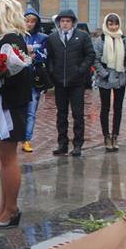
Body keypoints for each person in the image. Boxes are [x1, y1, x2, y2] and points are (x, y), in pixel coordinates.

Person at [0, 0, 32, 228]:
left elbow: (13, 74)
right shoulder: (11, 39)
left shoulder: (10, 40)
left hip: (8, 106)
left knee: (8, 159)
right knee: (4, 160)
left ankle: (10, 210)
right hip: (6, 105)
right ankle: (5, 207)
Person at [45, 9, 95, 157]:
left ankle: (78, 144)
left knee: (78, 115)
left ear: (73, 22)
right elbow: (50, 58)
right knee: (61, 114)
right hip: (60, 82)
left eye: (67, 21)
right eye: (62, 21)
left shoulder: (82, 36)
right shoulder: (53, 38)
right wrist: (53, 72)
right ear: (58, 22)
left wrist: (81, 70)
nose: (65, 24)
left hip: (77, 83)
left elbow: (90, 55)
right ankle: (62, 144)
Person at [93, 13, 126, 153]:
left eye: (115, 24)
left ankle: (115, 136)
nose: (113, 27)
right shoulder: (101, 39)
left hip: (120, 77)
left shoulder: (123, 39)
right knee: (105, 108)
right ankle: (106, 136)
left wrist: (125, 71)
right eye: (110, 24)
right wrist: (104, 74)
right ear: (106, 25)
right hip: (106, 79)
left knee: (118, 108)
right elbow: (95, 59)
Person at [21, 7, 48, 153]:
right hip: (19, 79)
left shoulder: (42, 38)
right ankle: (16, 136)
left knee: (31, 112)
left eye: (32, 21)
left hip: (34, 79)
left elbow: (45, 56)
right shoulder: (18, 36)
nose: (29, 24)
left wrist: (34, 53)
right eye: (27, 21)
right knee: (19, 110)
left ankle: (26, 139)